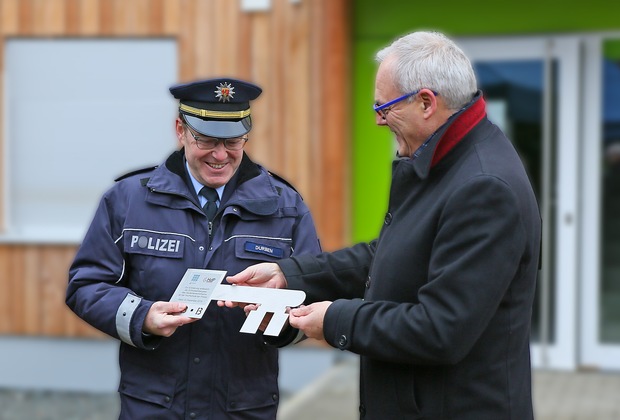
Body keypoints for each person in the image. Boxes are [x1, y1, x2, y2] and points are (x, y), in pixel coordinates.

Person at [225, 31, 541, 419]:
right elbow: (391, 254)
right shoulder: (448, 161)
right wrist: (290, 275)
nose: (378, 120)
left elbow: (441, 329)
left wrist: (334, 320)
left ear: (426, 103)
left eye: (385, 106)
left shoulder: (483, 187)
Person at [66, 77, 321, 419]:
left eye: (233, 142)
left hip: (243, 406)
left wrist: (280, 323)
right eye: (206, 140)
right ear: (180, 130)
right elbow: (86, 285)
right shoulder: (127, 200)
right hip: (155, 406)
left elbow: (313, 296)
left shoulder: (285, 206)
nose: (220, 155)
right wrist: (142, 316)